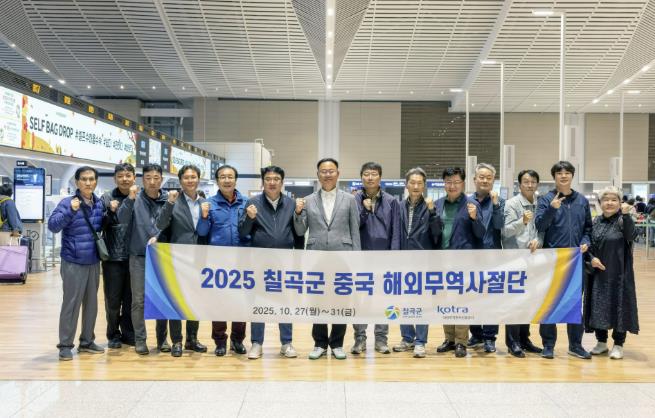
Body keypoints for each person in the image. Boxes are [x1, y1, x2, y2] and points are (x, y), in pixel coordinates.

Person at [294, 158, 361, 360]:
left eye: (331, 171)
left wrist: (357, 259)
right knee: (318, 300)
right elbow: (300, 230)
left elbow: (355, 230)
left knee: (342, 300)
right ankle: (320, 343)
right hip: (317, 257)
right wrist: (298, 213)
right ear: (318, 175)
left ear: (338, 174)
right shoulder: (308, 200)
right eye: (323, 171)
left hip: (343, 255)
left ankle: (337, 344)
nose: (327, 174)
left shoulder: (349, 199)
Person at [238, 165, 304, 360]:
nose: (272, 182)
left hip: (285, 261)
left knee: (285, 302)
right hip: (260, 262)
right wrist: (249, 218)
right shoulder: (252, 203)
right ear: (263, 182)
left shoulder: (291, 204)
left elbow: (298, 234)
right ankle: (257, 343)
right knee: (258, 302)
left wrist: (299, 258)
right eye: (268, 179)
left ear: (282, 182)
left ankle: (286, 343)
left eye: (276, 179)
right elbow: (243, 232)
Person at [535, 161, 592, 360]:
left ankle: (575, 345)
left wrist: (585, 242)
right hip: (552, 260)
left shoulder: (581, 201)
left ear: (572, 176)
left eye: (567, 172)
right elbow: (540, 225)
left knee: (574, 304)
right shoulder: (545, 199)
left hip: (575, 261)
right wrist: (551, 209)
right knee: (549, 303)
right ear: (554, 177)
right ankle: (548, 345)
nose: (564, 176)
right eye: (559, 173)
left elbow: (588, 228)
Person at [48, 166, 105, 361]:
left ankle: (87, 341)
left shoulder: (99, 204)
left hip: (93, 261)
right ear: (76, 182)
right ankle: (65, 345)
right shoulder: (67, 203)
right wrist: (70, 212)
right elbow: (53, 226)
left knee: (91, 305)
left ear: (96, 181)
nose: (88, 183)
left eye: (91, 179)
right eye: (84, 179)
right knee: (71, 305)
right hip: (73, 261)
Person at [155, 165, 209, 357]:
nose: (190, 180)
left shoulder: (205, 202)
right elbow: (160, 224)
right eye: (186, 177)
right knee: (176, 300)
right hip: (177, 258)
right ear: (180, 181)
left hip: (199, 258)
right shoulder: (173, 201)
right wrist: (169, 203)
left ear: (198, 179)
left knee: (196, 300)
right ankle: (176, 340)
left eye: (193, 177)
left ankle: (192, 339)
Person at [117, 163, 170, 355]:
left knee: (162, 299)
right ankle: (140, 339)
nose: (152, 182)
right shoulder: (135, 198)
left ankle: (162, 339)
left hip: (162, 256)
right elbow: (121, 219)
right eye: (148, 178)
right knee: (138, 300)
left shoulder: (169, 199)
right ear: (142, 180)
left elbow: (171, 224)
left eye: (156, 178)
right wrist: (130, 199)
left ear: (161, 179)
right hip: (138, 255)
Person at [197, 165, 249, 357]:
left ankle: (237, 340)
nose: (227, 180)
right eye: (222, 177)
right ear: (217, 180)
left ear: (236, 180)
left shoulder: (246, 203)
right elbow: (202, 232)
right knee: (218, 303)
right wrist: (204, 216)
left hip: (242, 260)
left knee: (240, 302)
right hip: (218, 262)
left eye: (230, 177)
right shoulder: (209, 204)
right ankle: (220, 341)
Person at [434, 167, 485, 358]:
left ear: (463, 183)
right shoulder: (438, 204)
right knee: (444, 300)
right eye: (448, 182)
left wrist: (474, 218)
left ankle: (461, 342)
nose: (452, 185)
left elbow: (481, 234)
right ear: (444, 184)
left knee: (461, 301)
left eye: (456, 182)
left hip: (463, 261)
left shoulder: (472, 204)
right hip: (441, 260)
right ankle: (449, 339)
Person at [351, 162, 401, 355]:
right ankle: (360, 339)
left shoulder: (391, 201)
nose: (370, 177)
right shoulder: (354, 200)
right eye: (366, 174)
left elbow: (395, 230)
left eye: (373, 174)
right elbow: (353, 226)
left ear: (380, 177)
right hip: (361, 257)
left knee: (383, 300)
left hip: (384, 258)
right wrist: (364, 210)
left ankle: (381, 339)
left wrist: (393, 255)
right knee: (360, 300)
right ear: (361, 177)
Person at [585, 186, 639, 360]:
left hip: (619, 274)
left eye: (614, 200)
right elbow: (588, 245)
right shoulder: (595, 222)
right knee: (598, 306)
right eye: (606, 200)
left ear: (620, 202)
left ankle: (618, 344)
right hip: (598, 274)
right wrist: (591, 257)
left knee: (619, 306)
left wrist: (626, 215)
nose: (609, 203)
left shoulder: (623, 220)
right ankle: (601, 342)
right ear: (600, 203)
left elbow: (631, 236)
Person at [393, 167, 438, 358]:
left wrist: (433, 212)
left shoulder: (431, 206)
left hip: (422, 262)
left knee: (421, 303)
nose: (416, 186)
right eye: (412, 182)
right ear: (406, 185)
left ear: (424, 186)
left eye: (420, 183)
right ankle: (407, 337)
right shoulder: (398, 206)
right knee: (402, 301)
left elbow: (437, 234)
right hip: (401, 261)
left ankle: (420, 341)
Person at [501, 169, 544, 358]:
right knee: (514, 301)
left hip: (534, 260)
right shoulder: (511, 204)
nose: (530, 185)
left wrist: (539, 241)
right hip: (515, 260)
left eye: (533, 181)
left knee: (528, 301)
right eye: (526, 181)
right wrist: (522, 221)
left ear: (537, 184)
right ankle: (512, 342)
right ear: (520, 185)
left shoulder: (540, 204)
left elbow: (542, 229)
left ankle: (525, 339)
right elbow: (505, 231)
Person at [468, 163, 504, 353]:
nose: (484, 180)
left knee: (492, 298)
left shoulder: (499, 201)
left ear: (493, 181)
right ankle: (476, 334)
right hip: (472, 257)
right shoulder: (467, 201)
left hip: (493, 257)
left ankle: (490, 337)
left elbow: (499, 225)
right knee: (472, 296)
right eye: (481, 177)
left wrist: (496, 205)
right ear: (474, 180)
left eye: (488, 178)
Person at [100, 163, 136, 349]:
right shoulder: (107, 198)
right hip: (112, 258)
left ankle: (129, 333)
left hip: (134, 256)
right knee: (113, 300)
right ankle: (113, 334)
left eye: (128, 175)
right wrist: (109, 212)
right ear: (115, 178)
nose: (124, 179)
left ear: (134, 177)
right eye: (120, 176)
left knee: (131, 300)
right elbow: (99, 225)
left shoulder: (139, 197)